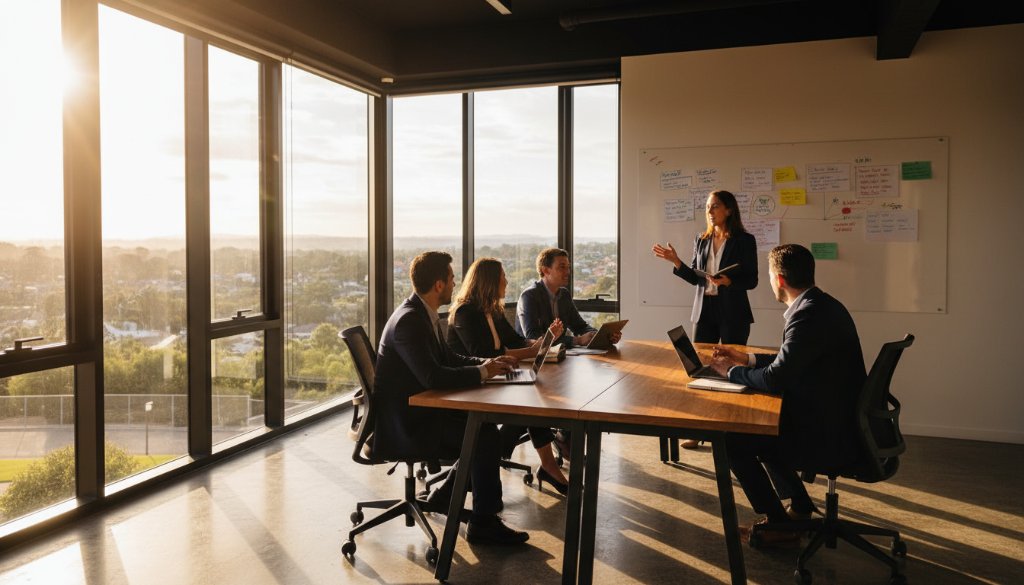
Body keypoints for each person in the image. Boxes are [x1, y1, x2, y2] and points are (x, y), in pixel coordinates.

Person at [709, 243, 866, 547]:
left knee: (735, 440)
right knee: (763, 433)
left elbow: (776, 378)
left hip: (829, 432)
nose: (769, 282)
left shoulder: (807, 315)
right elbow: (789, 360)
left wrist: (728, 371)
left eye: (769, 276)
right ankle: (800, 506)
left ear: (779, 279)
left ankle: (780, 526)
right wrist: (747, 360)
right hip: (838, 418)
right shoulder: (820, 305)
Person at [372, 251, 528, 545]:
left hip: (422, 413)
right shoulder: (409, 321)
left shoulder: (421, 314)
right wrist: (482, 373)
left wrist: (487, 365)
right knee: (483, 435)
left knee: (481, 430)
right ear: (439, 284)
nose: (456, 283)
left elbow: (449, 358)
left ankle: (446, 495)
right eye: (452, 278)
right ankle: (483, 522)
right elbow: (433, 376)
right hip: (408, 425)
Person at [448, 257, 570, 494]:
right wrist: (533, 350)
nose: (507, 281)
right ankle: (485, 459)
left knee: (534, 399)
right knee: (527, 406)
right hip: (470, 383)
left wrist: (542, 341)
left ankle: (545, 464)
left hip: (493, 379)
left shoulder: (492, 309)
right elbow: (484, 354)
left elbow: (514, 341)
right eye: (503, 277)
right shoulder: (465, 312)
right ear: (490, 282)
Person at [652, 189, 758, 449]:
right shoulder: (701, 239)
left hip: (733, 309)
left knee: (732, 365)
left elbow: (752, 280)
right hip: (705, 309)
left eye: (715, 206)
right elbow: (694, 278)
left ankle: (732, 428)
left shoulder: (744, 240)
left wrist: (729, 280)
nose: (709, 212)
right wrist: (676, 262)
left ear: (729, 210)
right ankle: (699, 428)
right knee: (701, 367)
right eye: (708, 207)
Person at [516, 247, 622, 349]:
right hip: (534, 359)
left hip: (559, 356)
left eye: (568, 267)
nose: (568, 272)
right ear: (545, 270)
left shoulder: (564, 294)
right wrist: (577, 340)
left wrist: (601, 336)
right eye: (562, 267)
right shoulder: (529, 296)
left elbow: (579, 326)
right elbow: (534, 338)